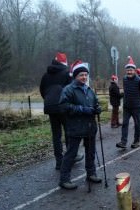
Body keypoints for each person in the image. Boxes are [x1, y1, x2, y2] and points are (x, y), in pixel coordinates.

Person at [58, 61, 102, 190]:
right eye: (81, 75)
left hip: (89, 126)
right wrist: (82, 109)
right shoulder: (69, 89)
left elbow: (95, 103)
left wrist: (97, 108)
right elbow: (63, 106)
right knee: (71, 154)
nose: (84, 77)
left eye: (85, 75)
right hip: (75, 127)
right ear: (75, 76)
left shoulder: (89, 89)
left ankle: (91, 173)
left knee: (91, 152)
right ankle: (64, 179)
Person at [39, 52, 83, 170]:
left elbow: (42, 90)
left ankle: (59, 162)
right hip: (63, 106)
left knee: (56, 135)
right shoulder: (67, 73)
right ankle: (71, 157)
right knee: (69, 132)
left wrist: (49, 101)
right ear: (65, 62)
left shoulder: (45, 75)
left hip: (50, 106)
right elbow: (71, 91)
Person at [116, 56, 140, 149]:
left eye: (131, 70)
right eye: (128, 70)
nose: (129, 72)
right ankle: (123, 142)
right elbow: (125, 91)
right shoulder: (124, 79)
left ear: (134, 71)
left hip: (137, 107)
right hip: (126, 107)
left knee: (137, 125)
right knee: (125, 124)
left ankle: (136, 141)